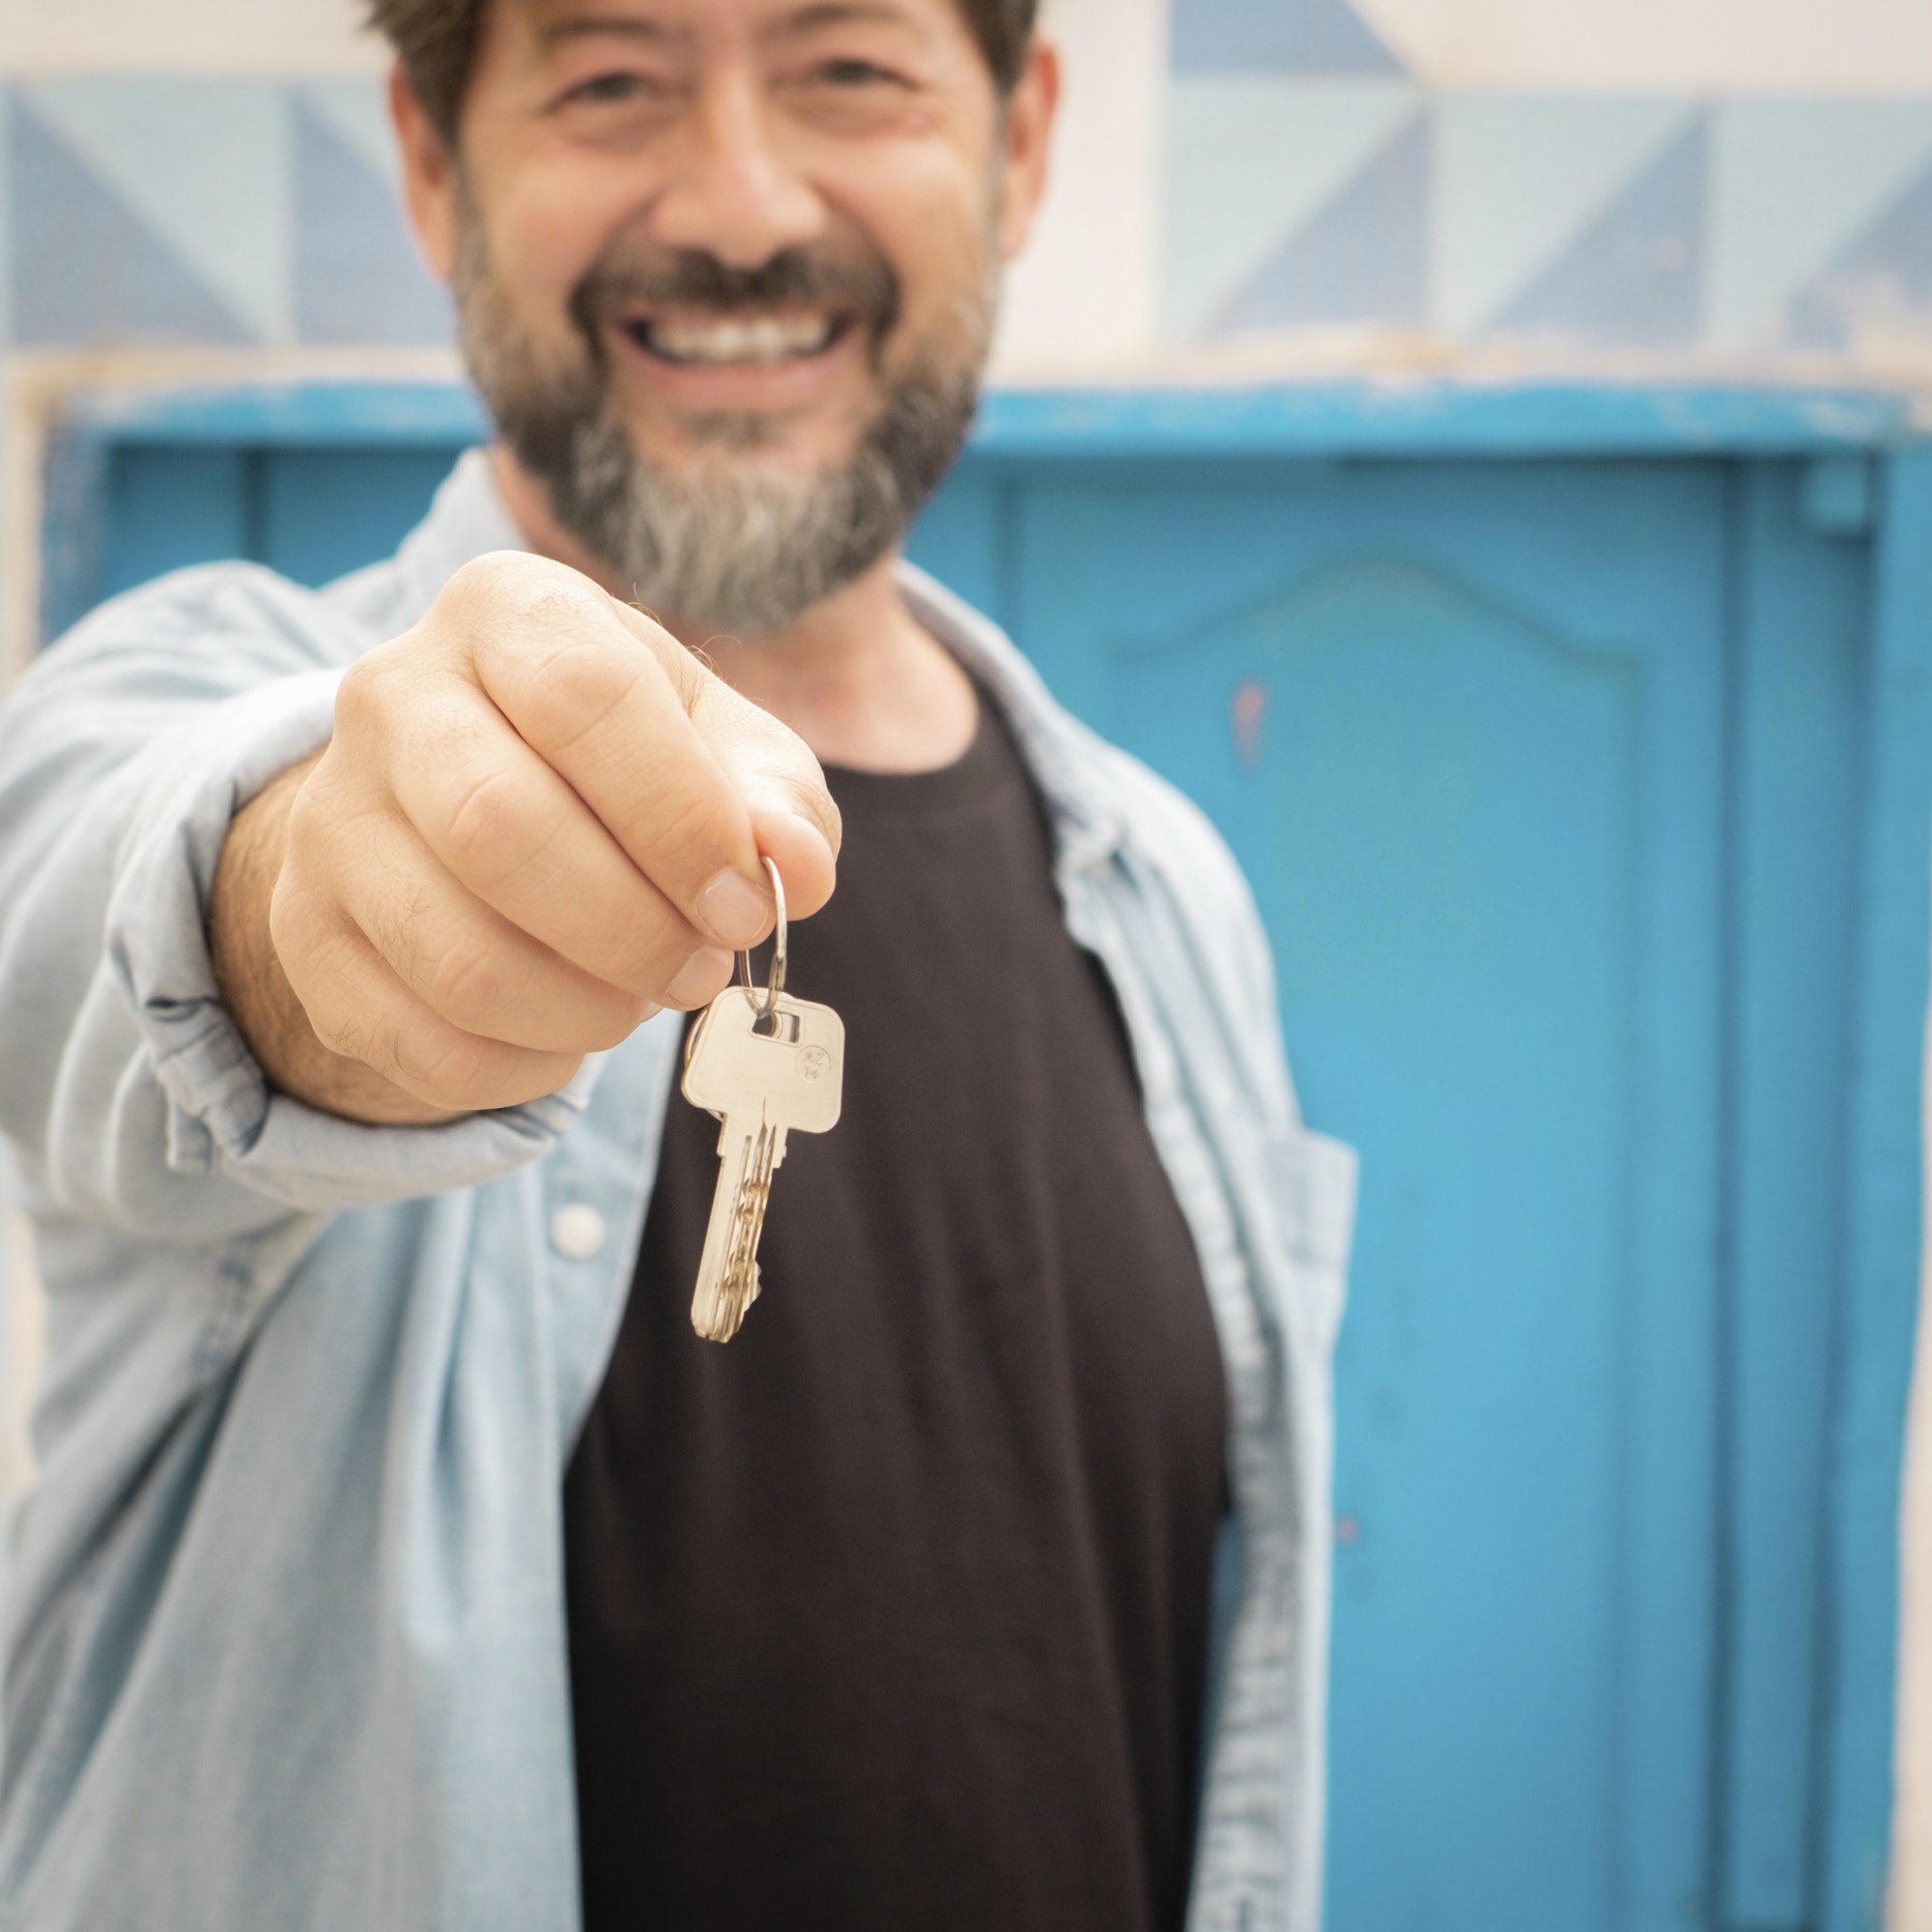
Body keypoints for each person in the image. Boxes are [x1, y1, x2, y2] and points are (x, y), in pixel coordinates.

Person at [0, 2, 1355, 1927]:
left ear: (1021, 140)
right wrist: (341, 916)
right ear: (429, 157)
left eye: (852, 70)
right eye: (608, 79)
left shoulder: (1170, 892)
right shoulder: (183, 702)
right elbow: (146, 914)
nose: (735, 204)